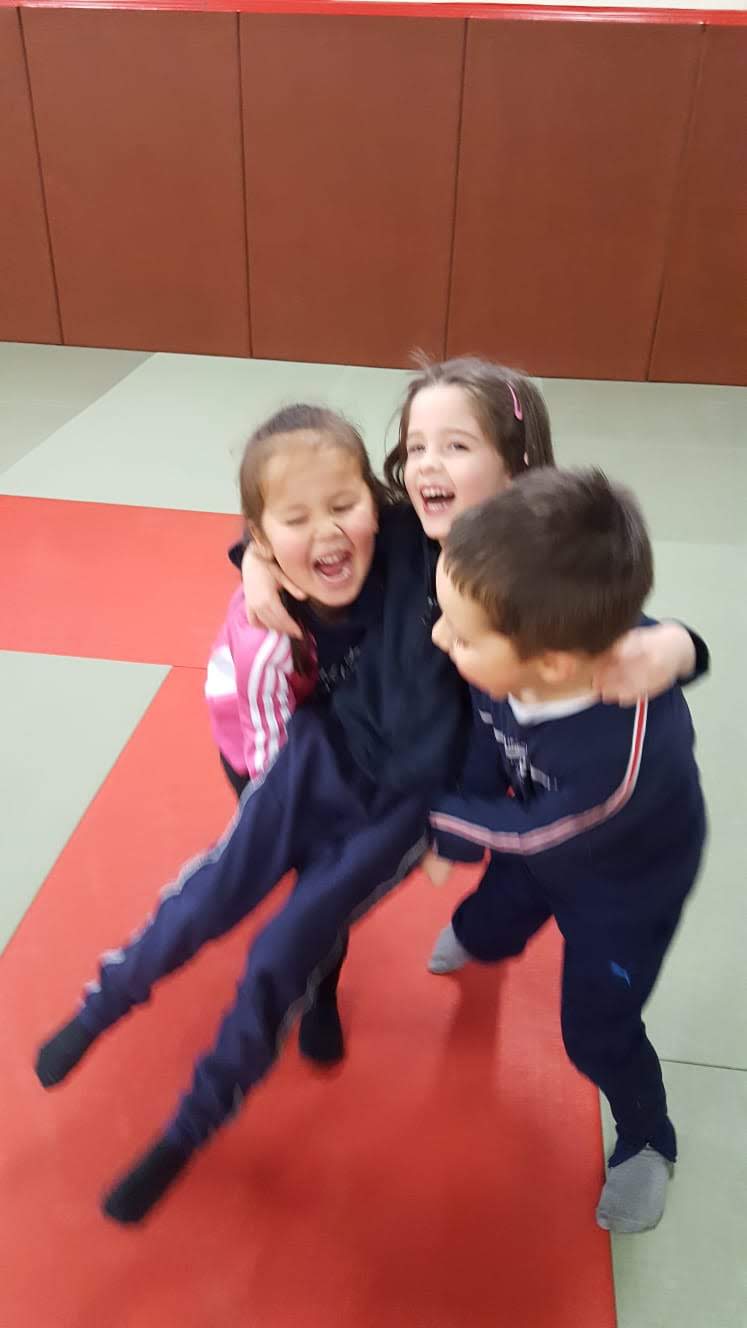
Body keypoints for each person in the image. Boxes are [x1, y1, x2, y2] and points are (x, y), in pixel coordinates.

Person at [34, 361, 706, 1225]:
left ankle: (645, 1136)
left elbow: (619, 651)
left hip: (552, 844)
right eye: (413, 446)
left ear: (518, 472)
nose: (423, 464)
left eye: (454, 446)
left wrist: (683, 645)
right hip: (396, 773)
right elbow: (304, 508)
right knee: (412, 913)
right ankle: (119, 1000)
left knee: (576, 1018)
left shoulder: (556, 599)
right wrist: (254, 563)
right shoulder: (399, 530)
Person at [427, 467, 706, 1235]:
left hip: (623, 890)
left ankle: (647, 1138)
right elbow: (486, 741)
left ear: (549, 663)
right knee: (492, 915)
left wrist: (422, 818)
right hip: (535, 831)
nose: (440, 637)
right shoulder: (526, 636)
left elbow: (532, 831)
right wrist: (455, 823)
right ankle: (485, 934)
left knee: (594, 1029)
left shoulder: (618, 752)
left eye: (460, 634)